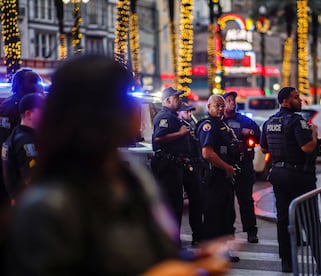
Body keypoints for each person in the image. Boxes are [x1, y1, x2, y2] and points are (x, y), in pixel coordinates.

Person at [7, 55, 230, 276]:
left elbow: (149, 252)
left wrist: (192, 260)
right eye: (120, 100)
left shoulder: (131, 178)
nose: (132, 110)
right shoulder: (48, 205)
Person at [260, 86, 321, 273]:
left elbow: (264, 150)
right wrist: (314, 133)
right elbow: (307, 147)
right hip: (299, 176)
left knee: (283, 220)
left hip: (278, 174)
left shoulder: (269, 122)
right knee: (310, 221)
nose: (300, 100)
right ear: (285, 101)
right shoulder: (296, 121)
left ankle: (286, 263)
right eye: (296, 97)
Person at [196, 95, 240, 262]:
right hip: (213, 178)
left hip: (224, 178)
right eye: (217, 105)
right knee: (213, 218)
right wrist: (226, 167)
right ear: (208, 106)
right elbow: (207, 153)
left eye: (222, 105)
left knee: (226, 217)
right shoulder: (208, 126)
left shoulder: (221, 124)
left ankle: (222, 252)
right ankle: (210, 255)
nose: (221, 108)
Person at [0, 68, 43, 206]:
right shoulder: (13, 107)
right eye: (34, 82)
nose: (38, 86)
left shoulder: (16, 103)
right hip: (14, 166)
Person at [151, 86, 189, 243]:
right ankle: (169, 243)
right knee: (171, 206)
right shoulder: (165, 117)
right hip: (167, 167)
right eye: (176, 98)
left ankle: (173, 241)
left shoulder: (173, 116)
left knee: (176, 205)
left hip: (174, 166)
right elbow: (158, 138)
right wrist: (179, 134)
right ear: (166, 100)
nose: (179, 100)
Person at [223, 91, 260, 243]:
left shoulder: (245, 120)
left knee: (246, 200)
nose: (233, 103)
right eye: (229, 100)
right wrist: (240, 132)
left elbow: (258, 135)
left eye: (234, 100)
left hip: (243, 164)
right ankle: (228, 231)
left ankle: (251, 231)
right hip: (225, 166)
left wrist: (248, 133)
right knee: (226, 201)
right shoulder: (217, 121)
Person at [177, 102, 203, 245]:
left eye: (189, 112)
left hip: (194, 166)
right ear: (179, 113)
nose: (189, 114)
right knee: (177, 204)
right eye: (186, 112)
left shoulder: (191, 125)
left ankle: (197, 235)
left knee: (196, 202)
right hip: (183, 166)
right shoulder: (178, 126)